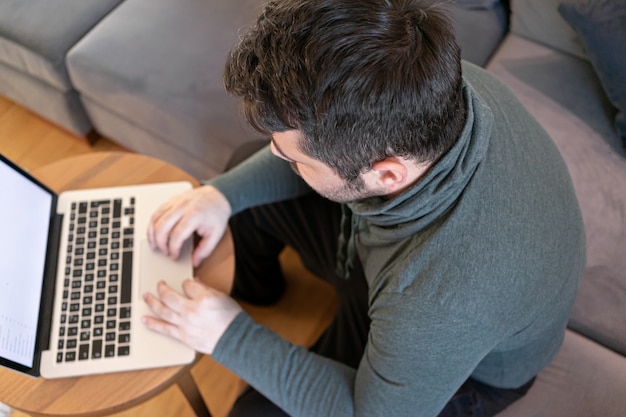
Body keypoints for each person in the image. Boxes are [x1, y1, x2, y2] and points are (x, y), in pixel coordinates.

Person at [142, 0, 586, 415]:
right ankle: (260, 290)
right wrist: (219, 195)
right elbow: (308, 155)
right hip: (397, 262)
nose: (278, 158)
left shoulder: (435, 301)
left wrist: (228, 335)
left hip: (463, 368)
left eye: (296, 160)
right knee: (242, 179)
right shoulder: (422, 81)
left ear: (387, 175)